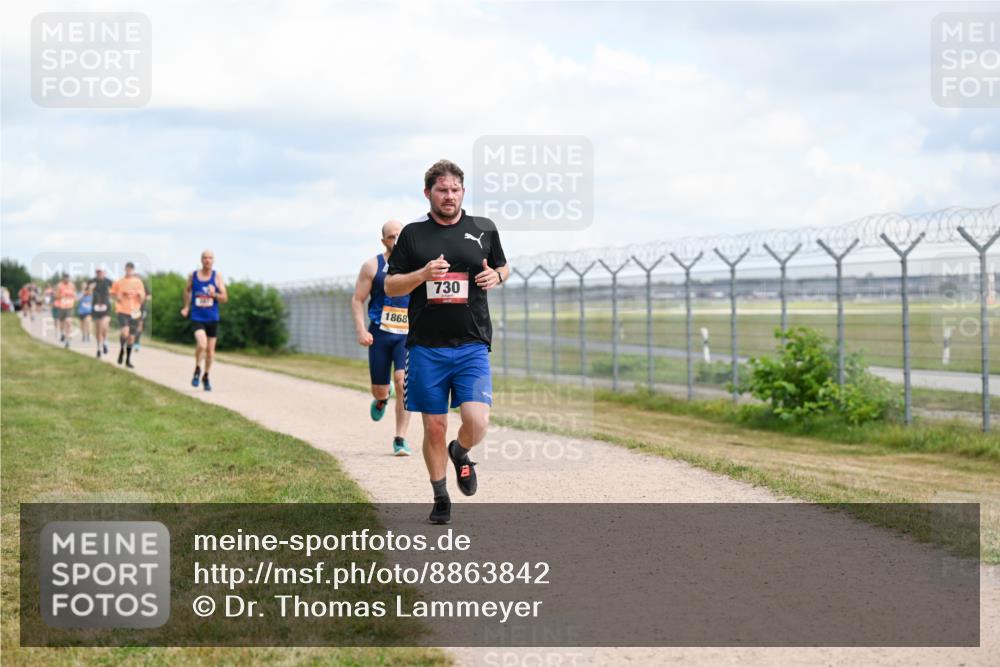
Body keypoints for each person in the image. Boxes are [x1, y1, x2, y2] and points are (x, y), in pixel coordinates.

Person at [385, 159, 509, 524]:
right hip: (426, 346)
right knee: (434, 425)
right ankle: (440, 496)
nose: (449, 196)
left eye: (455, 190)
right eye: (442, 190)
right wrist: (422, 274)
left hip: (471, 343)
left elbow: (503, 265)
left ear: (463, 192)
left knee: (477, 421)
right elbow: (391, 285)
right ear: (428, 193)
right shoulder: (412, 235)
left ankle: (461, 451)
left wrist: (496, 277)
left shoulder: (483, 229)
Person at [351, 220, 413, 457]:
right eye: (391, 237)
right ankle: (381, 400)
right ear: (383, 240)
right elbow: (357, 299)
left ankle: (400, 439)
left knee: (402, 381)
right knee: (380, 389)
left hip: (406, 335)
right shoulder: (372, 266)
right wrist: (361, 331)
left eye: (400, 236)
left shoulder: (416, 266)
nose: (396, 241)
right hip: (379, 334)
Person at [181, 250, 227, 391]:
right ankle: (197, 369)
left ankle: (206, 376)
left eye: (210, 258)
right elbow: (187, 291)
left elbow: (225, 298)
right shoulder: (193, 276)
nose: (207, 260)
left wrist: (215, 295)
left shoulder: (217, 276)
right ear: (201, 260)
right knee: (202, 345)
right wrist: (186, 307)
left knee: (210, 352)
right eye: (205, 258)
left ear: (213, 261)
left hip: (212, 318)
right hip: (198, 316)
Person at [110, 262, 146, 368]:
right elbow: (112, 293)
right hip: (122, 310)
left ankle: (128, 359)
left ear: (133, 270)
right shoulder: (119, 282)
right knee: (125, 332)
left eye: (131, 269)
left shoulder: (138, 282)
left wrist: (140, 295)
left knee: (131, 337)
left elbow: (143, 299)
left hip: (135, 311)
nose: (129, 270)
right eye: (128, 269)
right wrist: (118, 297)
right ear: (125, 269)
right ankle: (122, 349)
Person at [90, 267, 113, 358]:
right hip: (95, 308)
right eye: (97, 272)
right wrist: (90, 289)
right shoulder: (92, 282)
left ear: (104, 272)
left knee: (104, 326)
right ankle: (99, 349)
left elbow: (115, 291)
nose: (99, 274)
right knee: (98, 329)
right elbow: (86, 292)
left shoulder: (109, 282)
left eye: (101, 272)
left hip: (106, 307)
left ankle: (105, 341)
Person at [54, 274, 76, 349]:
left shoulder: (72, 285)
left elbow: (74, 295)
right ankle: (62, 334)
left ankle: (67, 340)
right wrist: (62, 296)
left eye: (68, 278)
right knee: (62, 322)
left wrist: (73, 298)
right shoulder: (59, 286)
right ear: (63, 278)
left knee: (68, 322)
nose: (66, 279)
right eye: (65, 278)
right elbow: (56, 296)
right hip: (61, 306)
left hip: (69, 307)